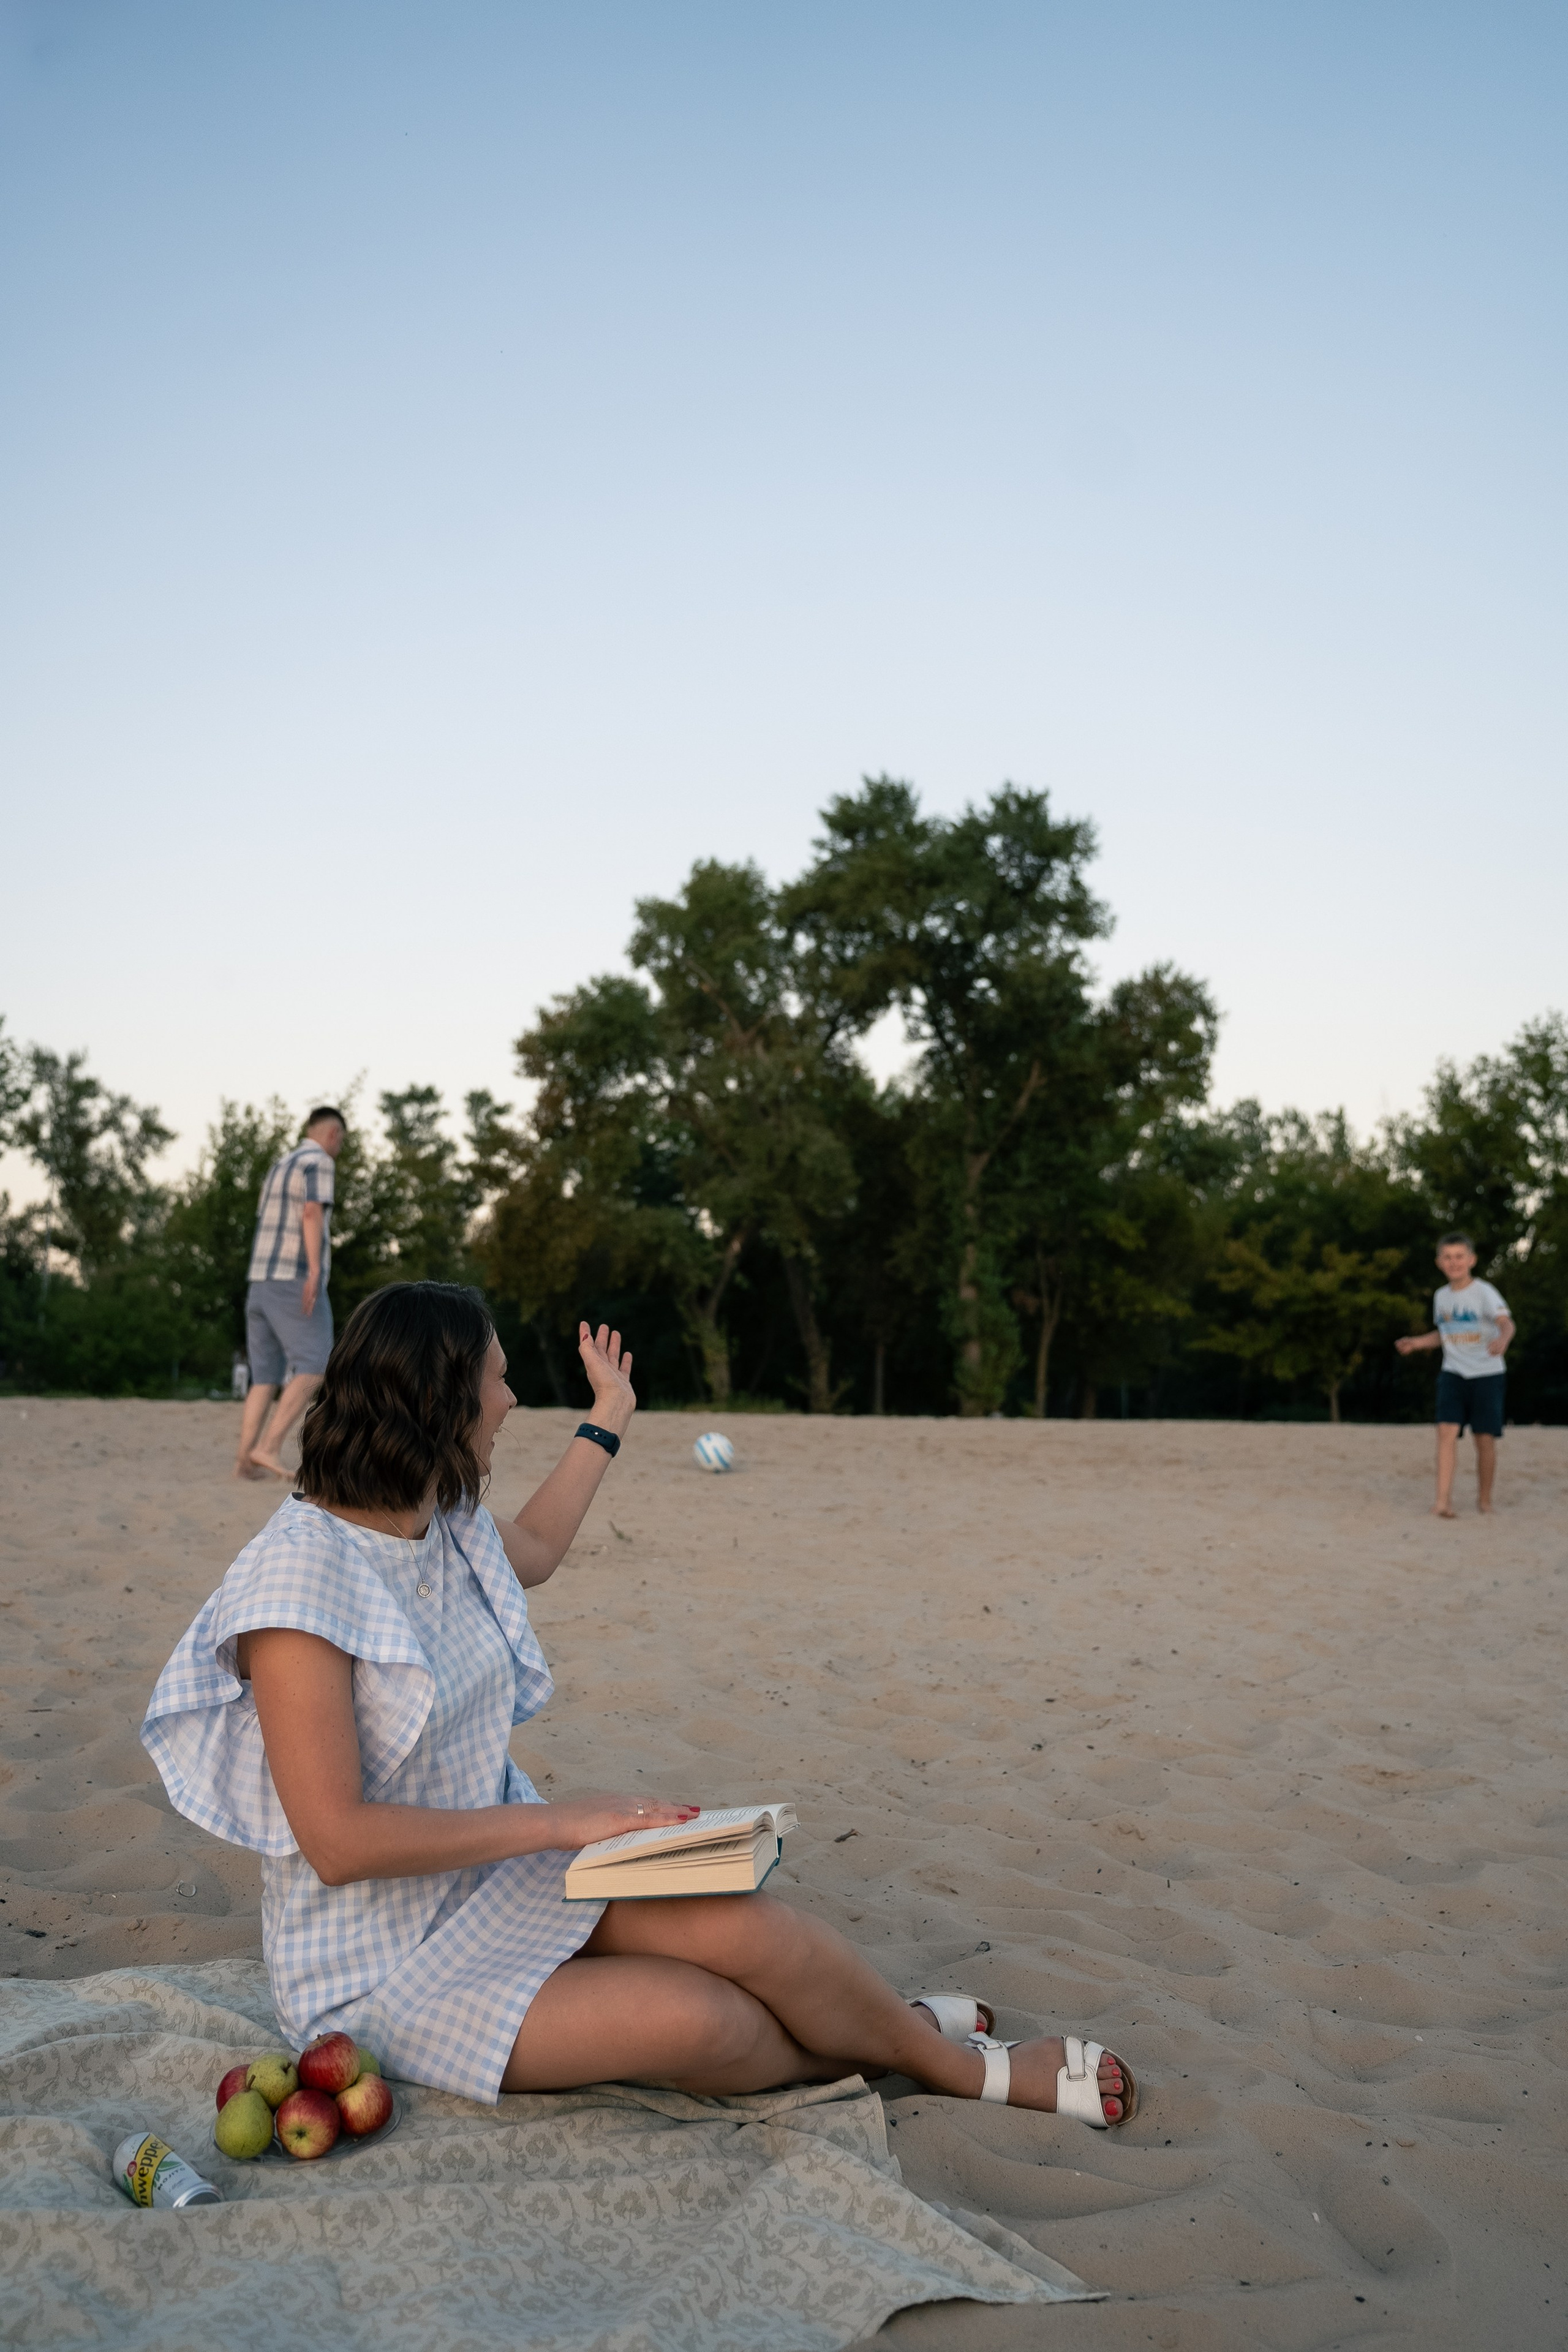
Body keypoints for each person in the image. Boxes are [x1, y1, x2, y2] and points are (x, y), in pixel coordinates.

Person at [146, 1281, 1137, 2125]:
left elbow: (529, 1551)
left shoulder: (428, 1511)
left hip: (498, 1878)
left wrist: (610, 1409)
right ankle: (919, 2060)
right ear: (442, 1401)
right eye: (495, 1379)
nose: (512, 1398)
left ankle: (923, 2047)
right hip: (380, 1971)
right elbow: (338, 1842)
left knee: (751, 1931)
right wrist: (558, 1823)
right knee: (708, 2021)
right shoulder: (297, 1588)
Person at [234, 1108, 347, 1480]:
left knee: (264, 1376)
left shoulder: (280, 1165)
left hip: (259, 1281)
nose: (340, 1148)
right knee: (315, 1364)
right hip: (293, 1276)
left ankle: (244, 1463)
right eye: (341, 1141)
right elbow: (311, 1214)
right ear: (332, 1134)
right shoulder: (319, 1162)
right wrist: (314, 1271)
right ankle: (267, 1448)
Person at [1395, 1232, 1514, 1517]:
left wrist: (1504, 1339)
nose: (1454, 1262)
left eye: (1460, 1256)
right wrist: (1417, 1342)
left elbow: (1506, 1323)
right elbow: (1445, 1334)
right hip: (1453, 1373)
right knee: (1445, 1431)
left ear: (1471, 1260)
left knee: (1483, 1439)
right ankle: (1442, 1502)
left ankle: (1484, 1501)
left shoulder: (1485, 1292)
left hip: (1487, 1374)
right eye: (1447, 1257)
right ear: (1439, 1263)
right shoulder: (1441, 1297)